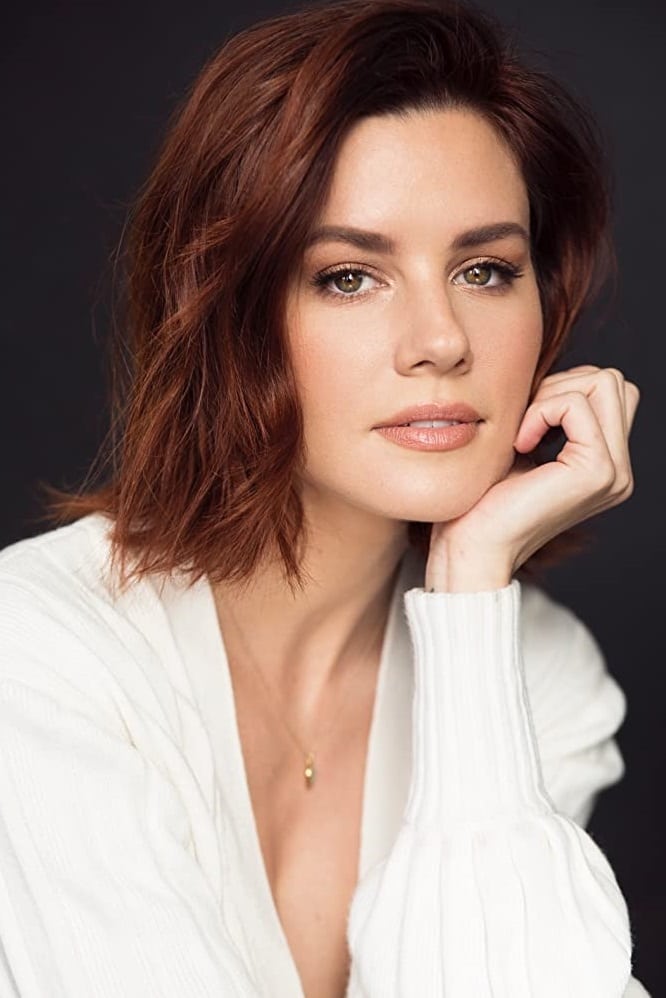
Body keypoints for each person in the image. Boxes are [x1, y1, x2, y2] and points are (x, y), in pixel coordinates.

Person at [0, 0, 651, 994]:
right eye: (350, 277)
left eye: (485, 270)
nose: (441, 339)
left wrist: (472, 588)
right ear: (228, 313)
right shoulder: (42, 653)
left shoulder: (540, 674)